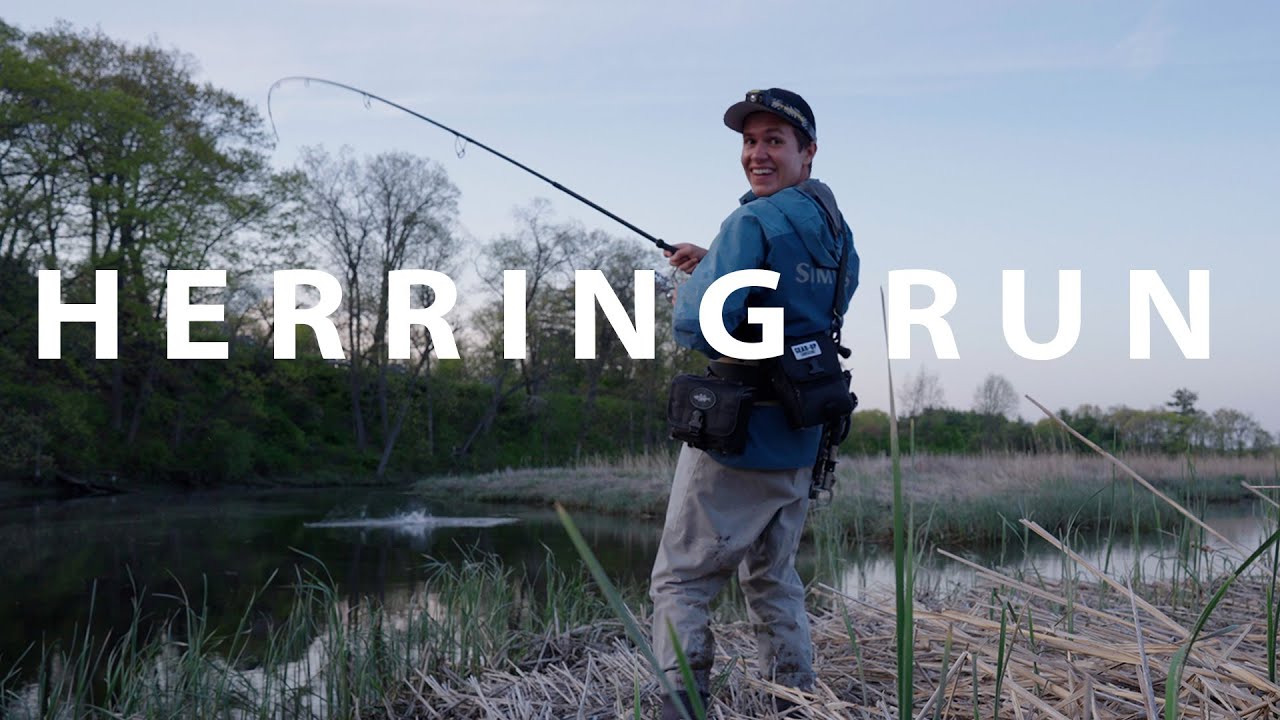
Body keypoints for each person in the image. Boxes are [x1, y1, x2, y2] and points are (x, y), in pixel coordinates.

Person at [650, 88, 859, 718]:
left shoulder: (750, 223)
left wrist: (701, 283)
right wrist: (713, 264)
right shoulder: (838, 235)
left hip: (738, 437)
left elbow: (698, 328)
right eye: (749, 141)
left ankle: (681, 705)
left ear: (808, 152)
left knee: (681, 579)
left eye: (774, 140)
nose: (757, 154)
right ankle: (794, 697)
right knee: (773, 578)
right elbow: (792, 312)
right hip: (801, 435)